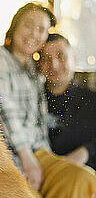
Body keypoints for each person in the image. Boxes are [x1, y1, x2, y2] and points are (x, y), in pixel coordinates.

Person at [0, 1, 96, 198]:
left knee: (85, 180)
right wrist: (28, 159)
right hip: (15, 154)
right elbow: (5, 111)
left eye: (41, 29)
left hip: (41, 153)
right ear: (15, 26)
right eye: (29, 25)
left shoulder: (34, 71)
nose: (34, 34)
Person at [39, 32, 96, 170]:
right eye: (46, 59)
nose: (54, 65)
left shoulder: (92, 100)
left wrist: (87, 151)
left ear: (74, 59)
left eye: (61, 56)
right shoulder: (32, 100)